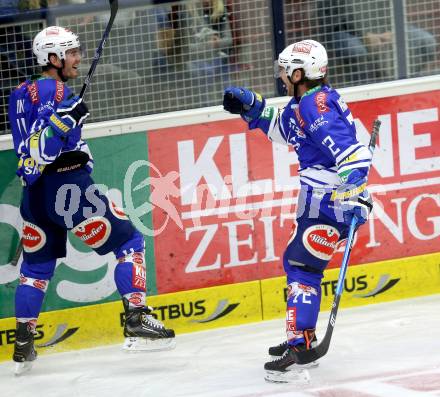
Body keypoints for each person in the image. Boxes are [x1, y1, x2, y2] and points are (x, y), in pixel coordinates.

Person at [8, 26, 175, 375]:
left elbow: (27, 153)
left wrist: (67, 120)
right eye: (70, 53)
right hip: (68, 189)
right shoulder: (53, 89)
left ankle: (23, 340)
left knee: (36, 270)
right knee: (129, 242)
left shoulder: (21, 92)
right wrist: (64, 121)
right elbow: (43, 146)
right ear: (52, 58)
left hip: (34, 197)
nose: (77, 58)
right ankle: (136, 317)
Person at [223, 39, 373, 382]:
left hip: (327, 200)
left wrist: (353, 192)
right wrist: (251, 105)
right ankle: (303, 337)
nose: (280, 74)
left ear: (299, 72)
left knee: (302, 267)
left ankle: (299, 346)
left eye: (284, 68)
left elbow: (352, 154)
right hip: (319, 199)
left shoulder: (314, 107)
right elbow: (284, 128)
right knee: (300, 264)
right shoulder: (307, 103)